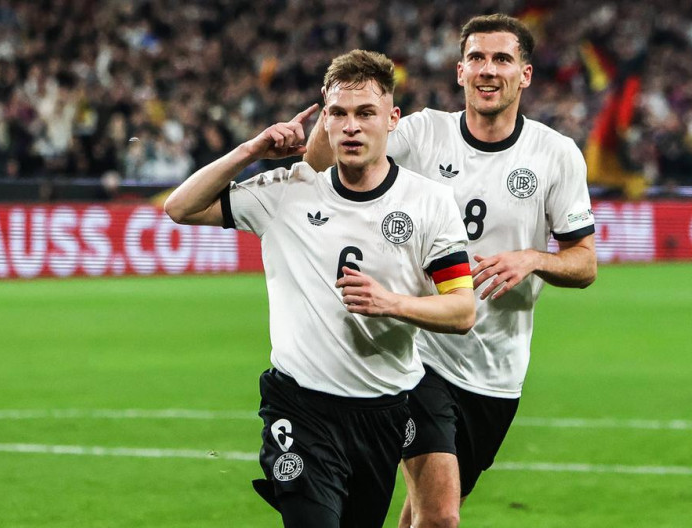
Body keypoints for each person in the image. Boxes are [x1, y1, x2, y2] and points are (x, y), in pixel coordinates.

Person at [305, 14, 596, 528]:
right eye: (477, 58)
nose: (488, 70)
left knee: (425, 514)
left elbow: (584, 261)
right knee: (441, 515)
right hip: (419, 353)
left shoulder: (555, 155)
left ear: (525, 74)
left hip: (497, 368)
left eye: (502, 59)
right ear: (460, 71)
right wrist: (336, 106)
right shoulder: (423, 133)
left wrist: (533, 258)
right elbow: (324, 165)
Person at [164, 50, 476, 528]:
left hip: (384, 411)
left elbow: (462, 311)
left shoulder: (429, 202)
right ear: (324, 121)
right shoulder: (287, 191)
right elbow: (180, 207)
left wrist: (390, 303)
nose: (351, 127)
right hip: (300, 408)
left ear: (392, 119)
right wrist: (251, 150)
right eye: (339, 113)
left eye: (366, 113)